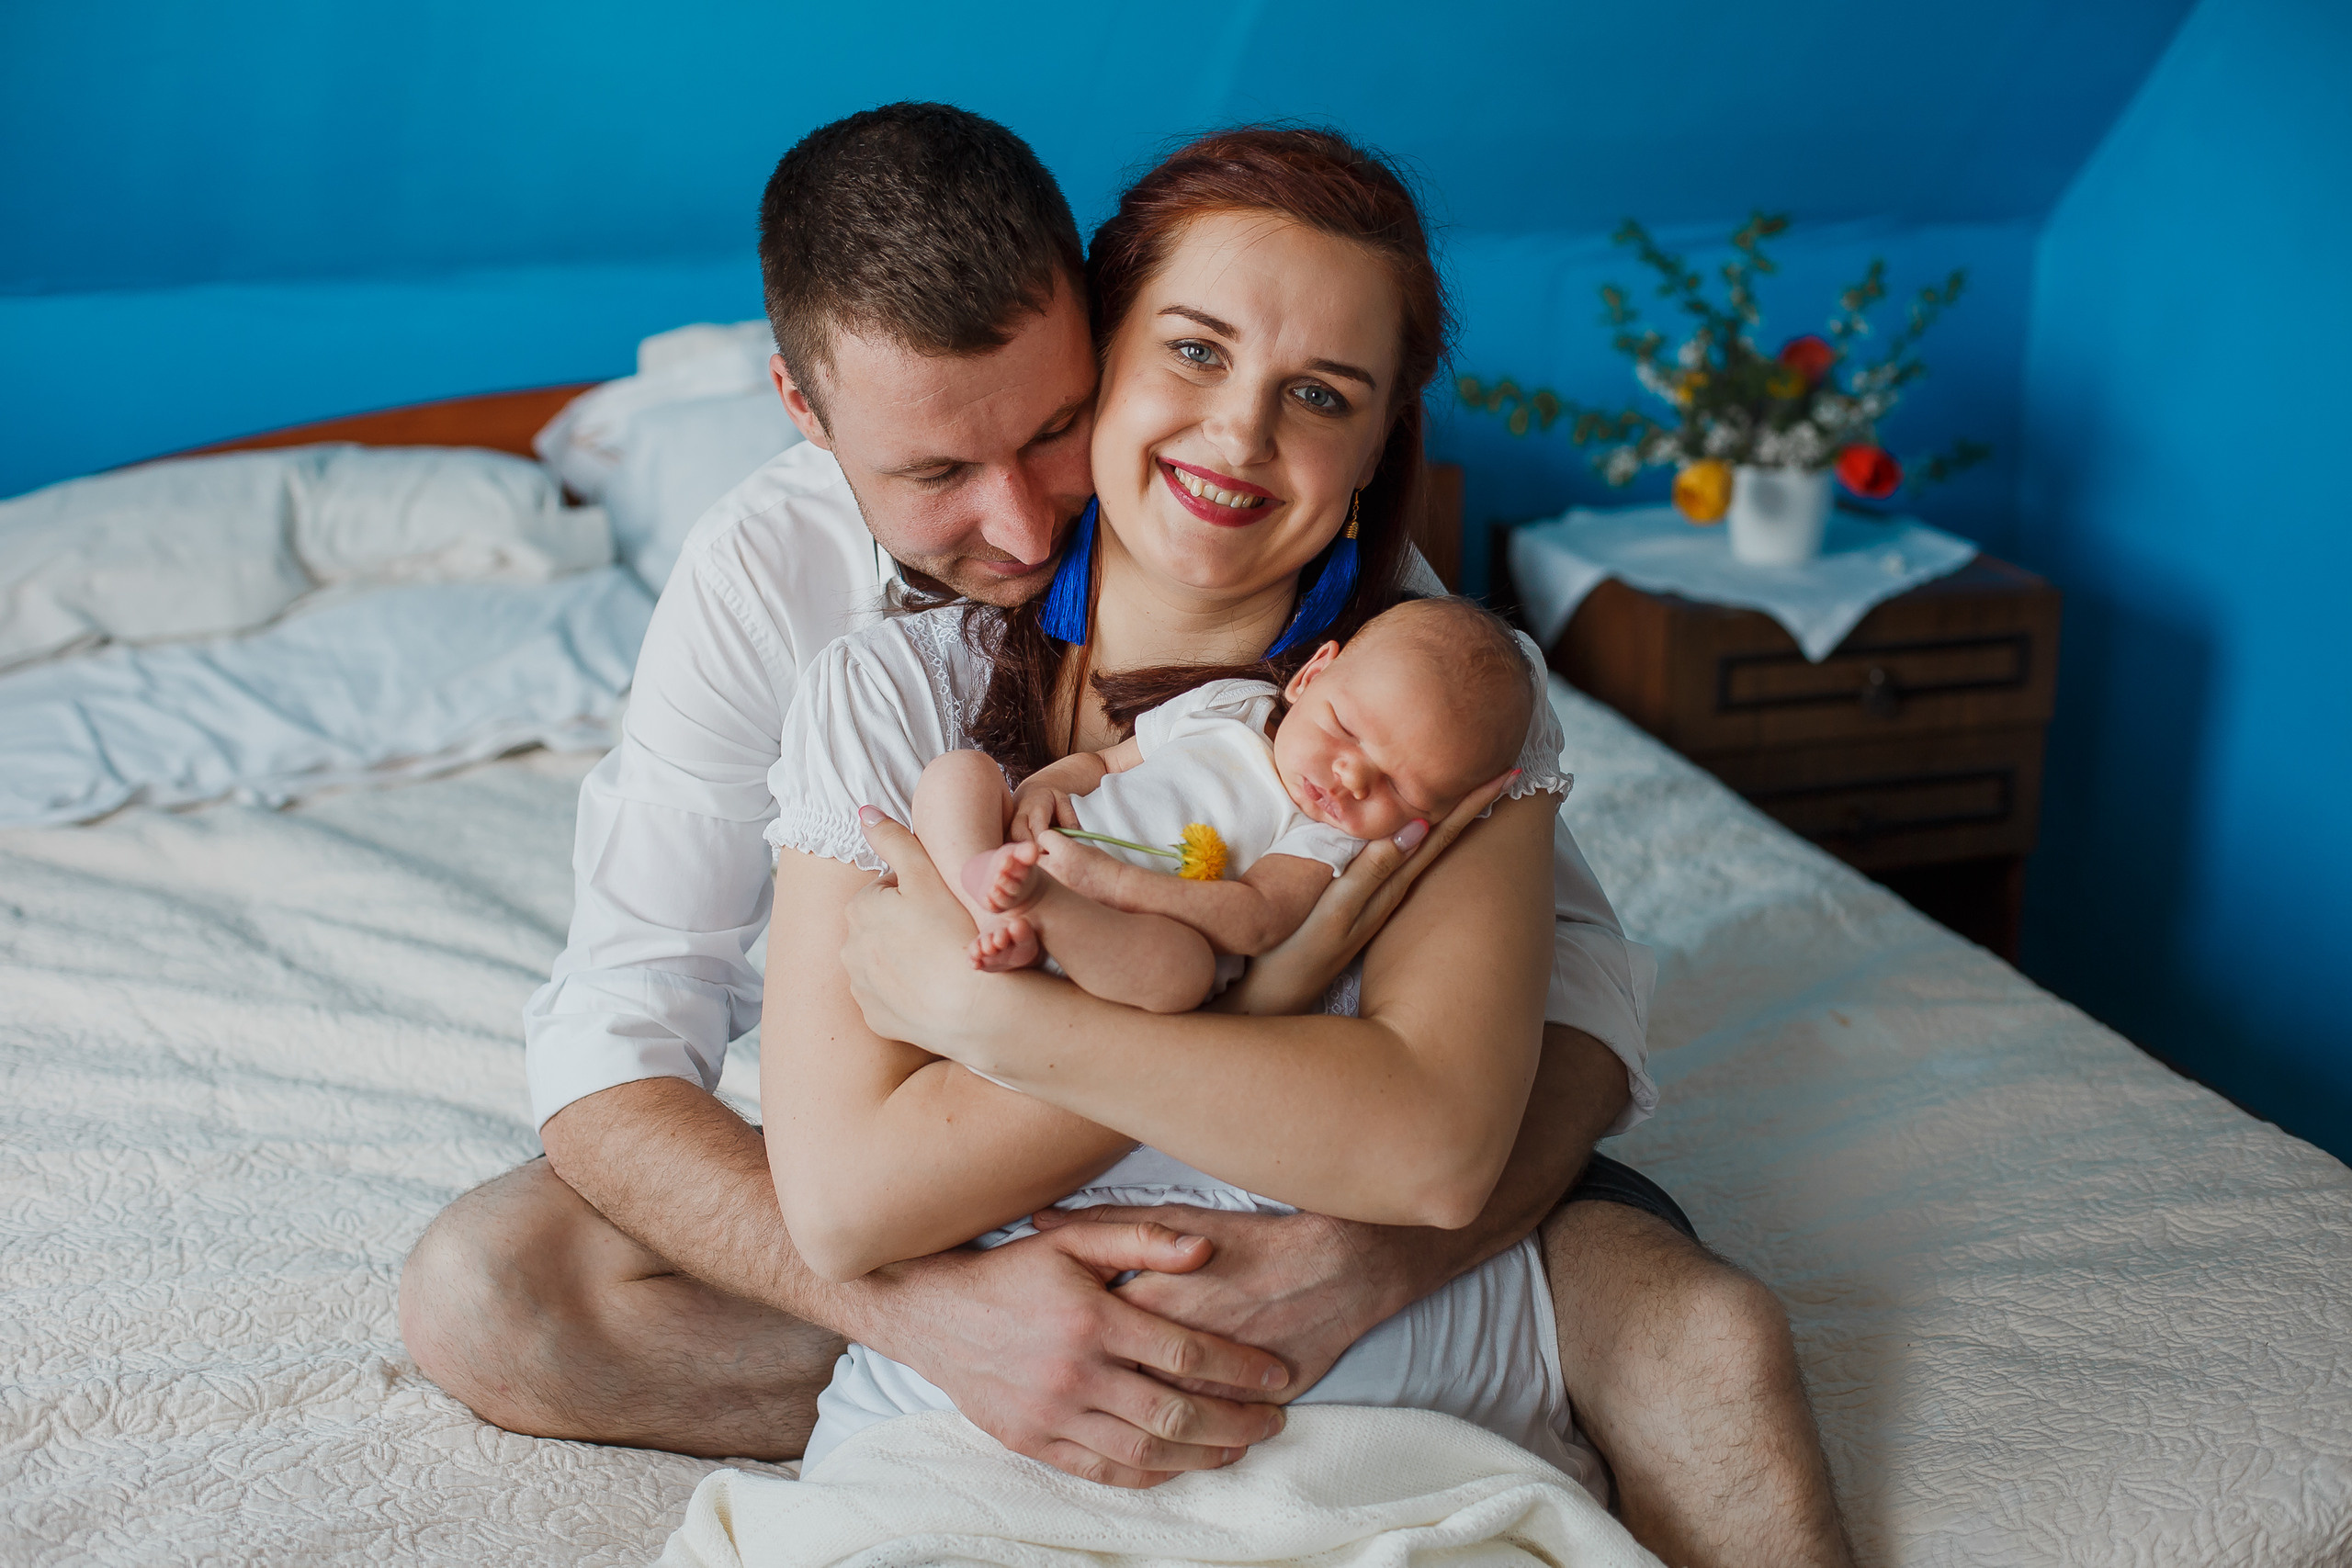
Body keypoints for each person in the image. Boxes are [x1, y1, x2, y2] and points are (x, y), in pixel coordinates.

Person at [396, 104, 1852, 1567]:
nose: (1026, 530)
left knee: (1696, 1322)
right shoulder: (806, 618)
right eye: (934, 479)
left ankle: (1305, 1357)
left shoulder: (1354, 611)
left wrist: (1380, 1250)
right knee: (495, 1284)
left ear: (1094, 333)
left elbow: (1559, 1011)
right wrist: (929, 1312)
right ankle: (1071, 1372)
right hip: (955, 1152)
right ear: (802, 404)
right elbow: (621, 1043)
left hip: (1342, 1133)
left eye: (1049, 432)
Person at [921, 597, 1534, 1012]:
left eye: (1401, 789)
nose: (1351, 777)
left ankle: (1041, 912)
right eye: (1346, 727)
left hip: (1128, 937)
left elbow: (1258, 917)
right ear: (1311, 676)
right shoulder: (1231, 705)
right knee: (960, 773)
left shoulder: (1325, 835)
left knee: (1183, 973)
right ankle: (991, 903)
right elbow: (1106, 763)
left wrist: (1104, 881)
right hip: (1059, 834)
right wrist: (1045, 789)